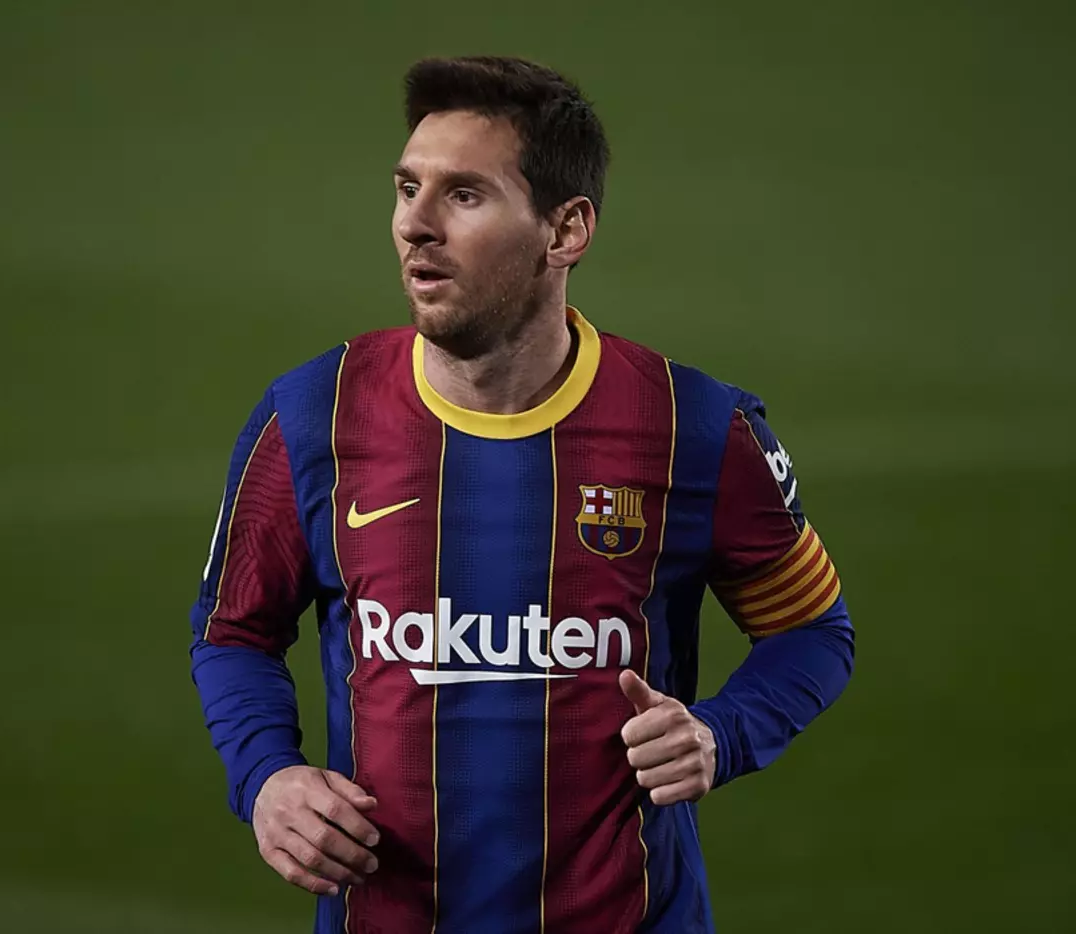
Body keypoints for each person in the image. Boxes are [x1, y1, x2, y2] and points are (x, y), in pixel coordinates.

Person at [188, 55, 854, 934]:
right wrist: (267, 775)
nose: (415, 224)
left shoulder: (693, 427)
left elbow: (812, 630)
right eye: (407, 188)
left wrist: (720, 734)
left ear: (566, 230)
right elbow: (233, 633)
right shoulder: (313, 416)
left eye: (464, 195)